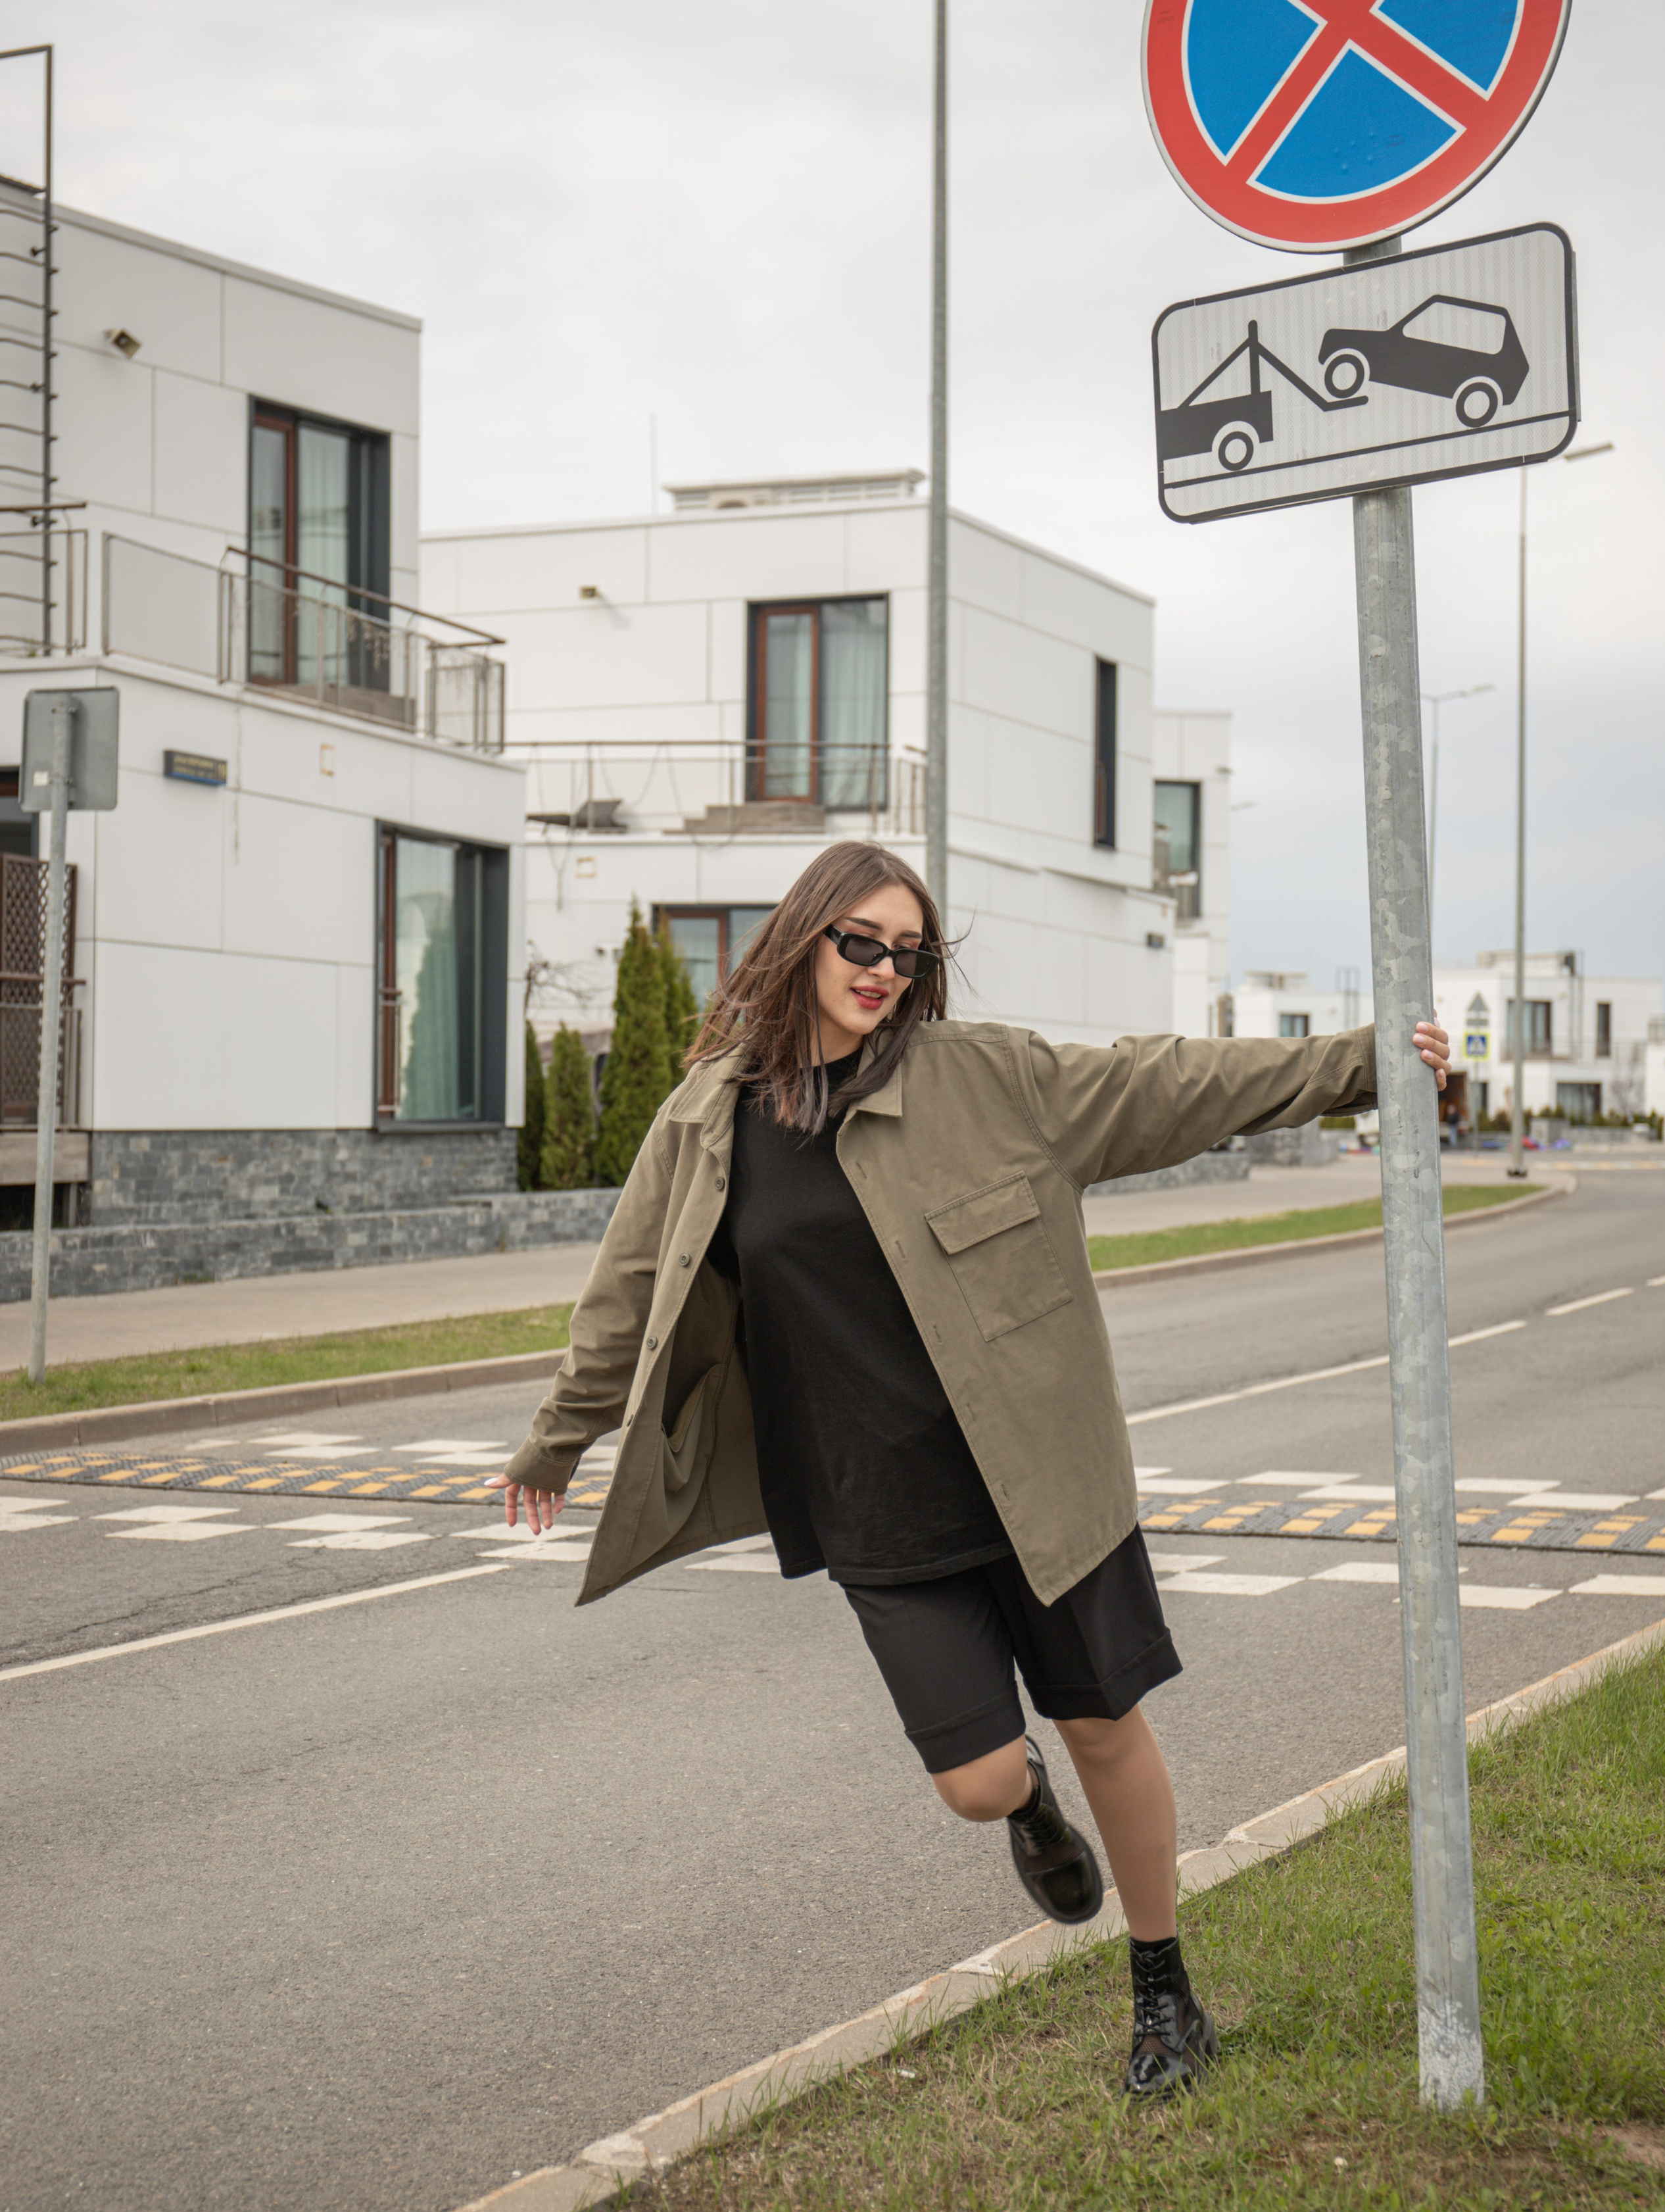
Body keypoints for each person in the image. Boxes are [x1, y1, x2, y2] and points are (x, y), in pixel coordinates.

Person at [491, 841, 1449, 2098]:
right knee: (978, 1779)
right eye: (862, 944)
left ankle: (1163, 1991)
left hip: (1041, 1477)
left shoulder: (988, 1079)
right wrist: (561, 1434)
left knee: (1106, 1727)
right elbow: (628, 1293)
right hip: (876, 1504)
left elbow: (1174, 1085)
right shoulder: (709, 1120)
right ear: (803, 940)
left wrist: (1358, 1061)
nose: (886, 971)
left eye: (910, 951)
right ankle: (1030, 1813)